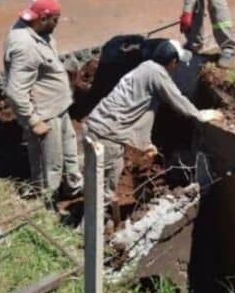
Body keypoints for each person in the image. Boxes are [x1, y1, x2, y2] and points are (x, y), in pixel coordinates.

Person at [82, 39, 223, 203]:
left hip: (95, 126)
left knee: (97, 178)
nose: (177, 67)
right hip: (107, 136)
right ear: (172, 61)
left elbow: (145, 112)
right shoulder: (158, 74)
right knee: (104, 188)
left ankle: (94, 211)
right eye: (177, 63)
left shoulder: (145, 67)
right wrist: (201, 115)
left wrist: (145, 143)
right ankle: (93, 217)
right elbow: (177, 100)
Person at [3, 0, 82, 199]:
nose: (57, 24)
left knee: (70, 151)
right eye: (55, 20)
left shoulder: (38, 31)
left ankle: (73, 187)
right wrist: (33, 120)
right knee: (50, 164)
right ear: (43, 18)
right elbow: (15, 90)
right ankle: (47, 202)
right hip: (45, 114)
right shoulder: (25, 47)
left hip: (58, 107)